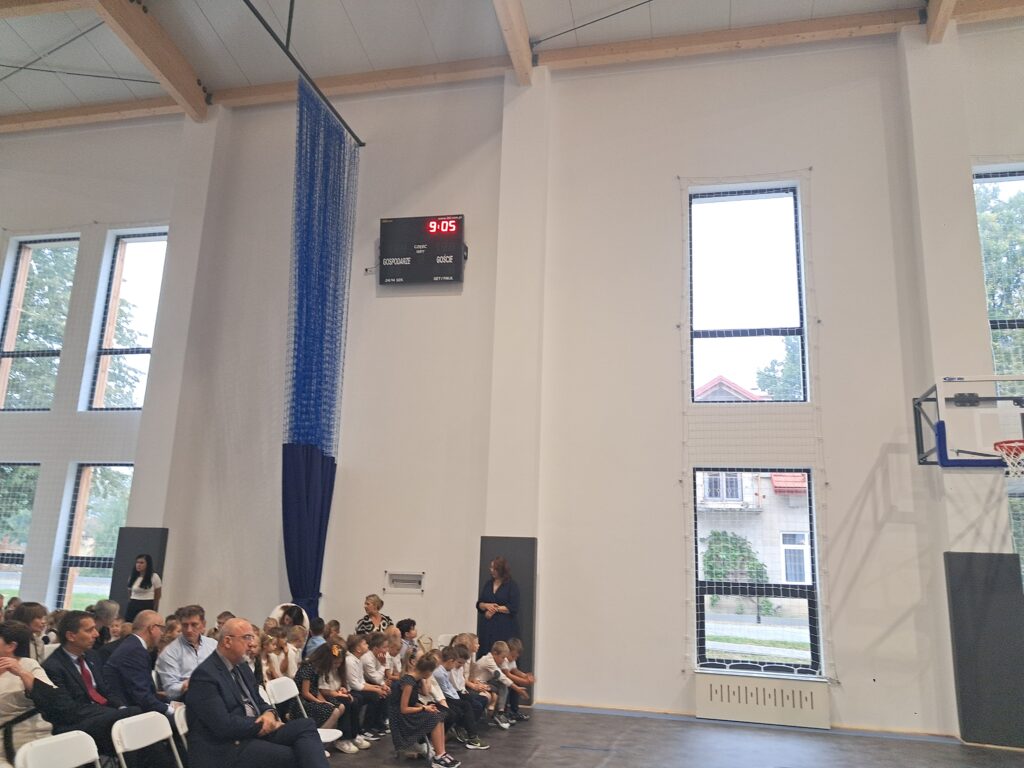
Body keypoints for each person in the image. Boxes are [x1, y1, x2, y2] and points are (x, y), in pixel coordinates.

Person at [184, 617, 329, 768]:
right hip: (224, 747)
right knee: (293, 755)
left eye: (252, 637)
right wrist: (262, 725)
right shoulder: (205, 676)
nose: (252, 643)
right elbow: (223, 725)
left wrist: (270, 713)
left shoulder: (242, 667)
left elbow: (258, 701)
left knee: (306, 726)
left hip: (252, 731)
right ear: (227, 641)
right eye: (247, 637)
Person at [41, 610, 142, 757]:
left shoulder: (92, 656)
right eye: (89, 630)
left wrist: (120, 706)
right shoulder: (53, 667)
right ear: (71, 636)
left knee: (135, 726)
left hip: (101, 716)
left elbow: (106, 690)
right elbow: (68, 710)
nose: (96, 634)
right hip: (76, 724)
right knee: (133, 720)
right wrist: (114, 713)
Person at [0, 620, 61, 766]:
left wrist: (21, 673)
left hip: (35, 737)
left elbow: (52, 699)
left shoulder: (27, 665)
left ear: (11, 646)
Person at [388, 653, 460, 768]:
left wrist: (427, 707)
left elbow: (413, 701)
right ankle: (438, 757)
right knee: (435, 718)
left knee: (439, 714)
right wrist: (423, 708)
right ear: (427, 671)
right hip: (401, 718)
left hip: (408, 712)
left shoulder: (416, 680)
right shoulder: (409, 682)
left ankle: (441, 753)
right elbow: (403, 708)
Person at [294, 642, 366, 753]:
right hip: (302, 702)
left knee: (341, 707)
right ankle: (317, 742)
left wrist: (323, 701)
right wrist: (320, 702)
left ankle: (328, 738)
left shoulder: (316, 668)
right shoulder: (307, 667)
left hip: (312, 697)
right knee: (334, 711)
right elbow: (305, 693)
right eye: (334, 663)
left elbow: (315, 689)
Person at [104, 611, 178, 717]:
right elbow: (141, 696)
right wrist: (172, 710)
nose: (162, 634)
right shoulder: (135, 651)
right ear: (152, 628)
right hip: (131, 713)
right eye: (161, 628)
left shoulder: (133, 645)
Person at [155, 604, 217, 700]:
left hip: (214, 694)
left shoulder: (213, 645)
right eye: (185, 625)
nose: (189, 630)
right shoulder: (170, 652)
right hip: (186, 698)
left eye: (194, 625)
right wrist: (186, 685)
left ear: (203, 624)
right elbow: (170, 689)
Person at [468, 641, 526, 730]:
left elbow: (506, 674)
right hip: (478, 683)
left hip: (487, 682)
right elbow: (501, 676)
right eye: (502, 657)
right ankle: (498, 714)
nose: (504, 660)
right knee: (501, 685)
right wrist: (517, 688)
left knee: (503, 686)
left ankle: (501, 713)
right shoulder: (488, 661)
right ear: (495, 653)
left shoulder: (499, 660)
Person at [475, 557, 520, 658]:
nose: (491, 570)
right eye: (491, 568)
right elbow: (479, 604)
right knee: (486, 652)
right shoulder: (488, 584)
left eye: (494, 568)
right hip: (487, 627)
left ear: (501, 570)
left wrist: (495, 609)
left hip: (504, 627)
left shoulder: (511, 585)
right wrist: (486, 606)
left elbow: (513, 607)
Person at [126, 554, 162, 622]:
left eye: (141, 563)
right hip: (133, 603)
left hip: (147, 603)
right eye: (137, 562)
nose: (138, 565)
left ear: (147, 564)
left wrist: (154, 608)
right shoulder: (133, 576)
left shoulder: (154, 576)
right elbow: (129, 592)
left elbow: (158, 594)